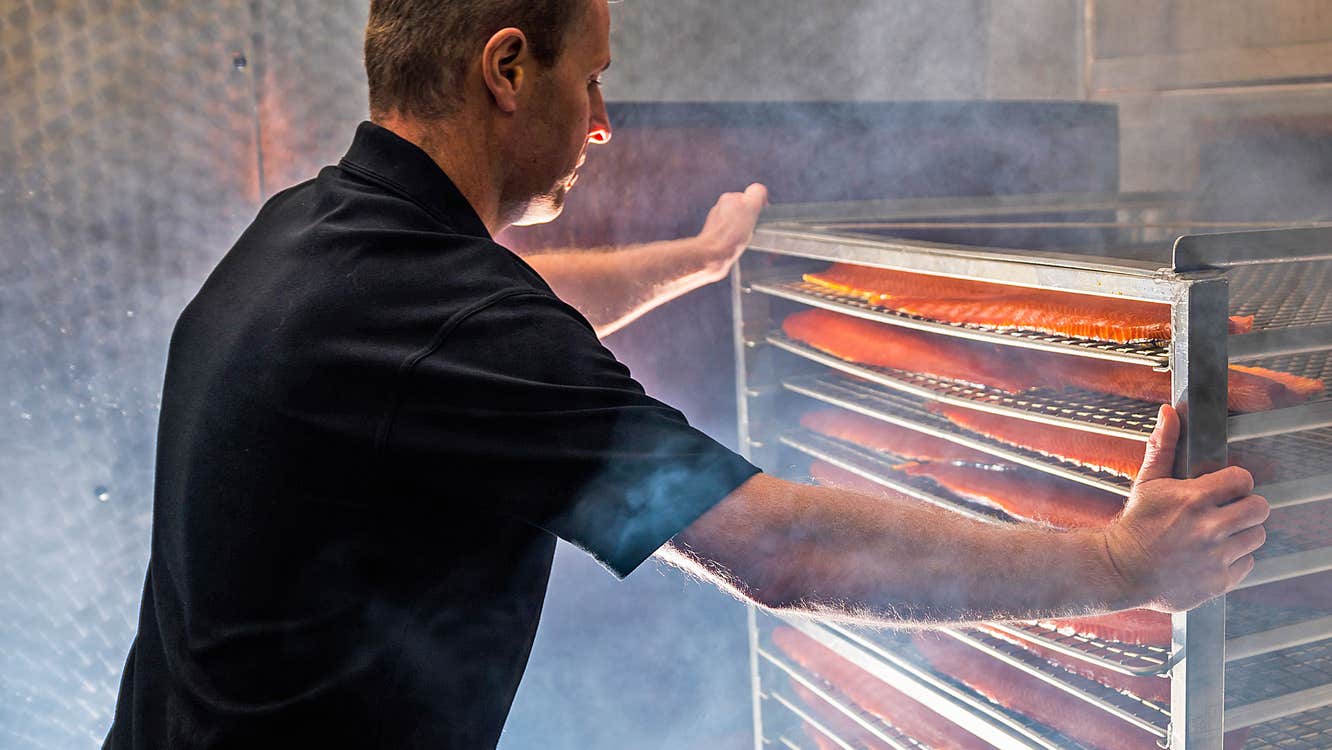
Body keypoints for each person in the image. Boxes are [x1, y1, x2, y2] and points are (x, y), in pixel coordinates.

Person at [104, 1, 1269, 748]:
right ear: (507, 67)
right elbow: (776, 548)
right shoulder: (457, 329)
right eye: (593, 79)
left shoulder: (312, 235)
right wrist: (1122, 562)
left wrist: (700, 261)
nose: (603, 121)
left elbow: (516, 321)